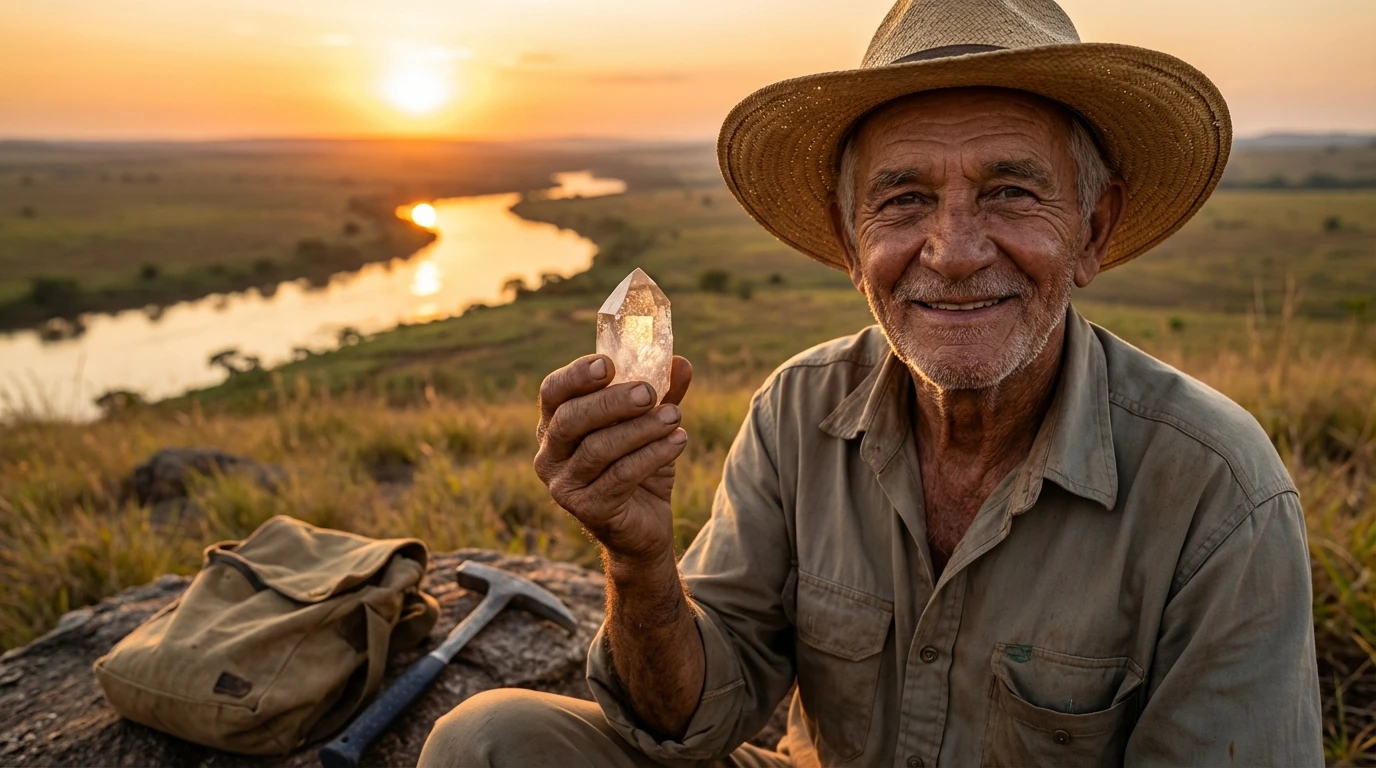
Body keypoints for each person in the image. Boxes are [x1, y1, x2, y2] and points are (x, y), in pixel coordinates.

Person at [419, 0, 1323, 765]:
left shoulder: (1218, 489)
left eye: (1011, 192)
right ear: (852, 245)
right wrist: (639, 557)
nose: (955, 253)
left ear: (1094, 228)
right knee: (494, 740)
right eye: (904, 200)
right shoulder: (800, 411)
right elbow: (685, 719)